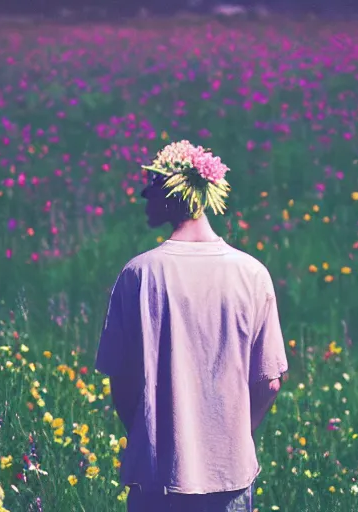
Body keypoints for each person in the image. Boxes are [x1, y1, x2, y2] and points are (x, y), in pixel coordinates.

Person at [95, 141, 289, 512]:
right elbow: (270, 381)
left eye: (151, 184)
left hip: (157, 479)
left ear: (172, 192)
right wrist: (234, 434)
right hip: (229, 478)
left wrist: (151, 437)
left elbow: (120, 379)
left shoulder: (140, 274)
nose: (142, 194)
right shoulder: (252, 274)